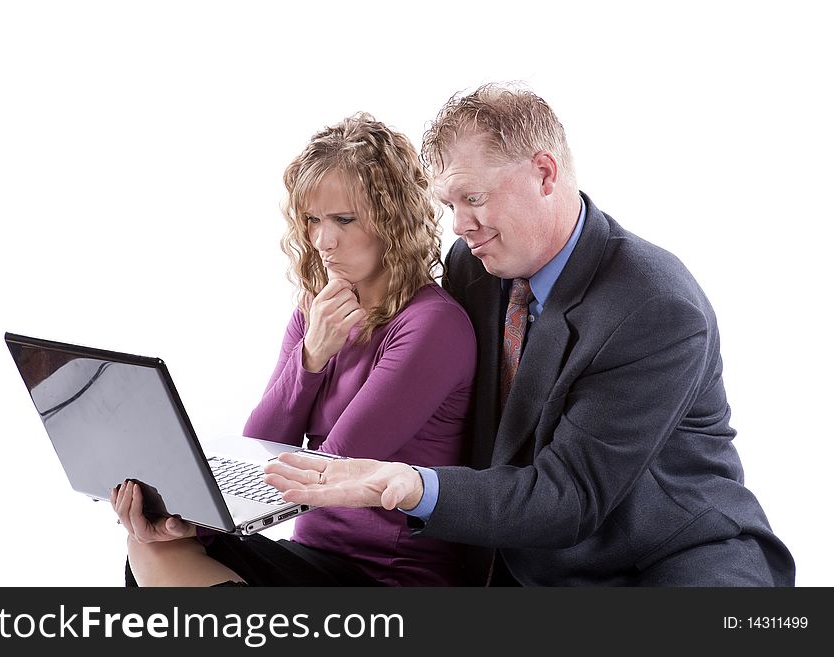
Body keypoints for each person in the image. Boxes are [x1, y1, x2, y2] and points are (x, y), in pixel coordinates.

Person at [265, 83, 797, 587]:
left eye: (473, 198)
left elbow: (569, 495)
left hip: (661, 561)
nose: (459, 225)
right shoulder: (477, 266)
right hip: (524, 558)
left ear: (545, 174)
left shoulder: (654, 305)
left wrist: (416, 485)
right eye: (449, 205)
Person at [113, 113, 477, 586]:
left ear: (394, 220)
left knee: (167, 558)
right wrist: (310, 357)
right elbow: (259, 446)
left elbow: (331, 472)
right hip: (312, 555)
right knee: (150, 540)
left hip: (385, 577)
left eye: (344, 220)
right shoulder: (318, 313)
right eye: (312, 220)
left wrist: (198, 526)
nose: (324, 241)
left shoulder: (432, 325)